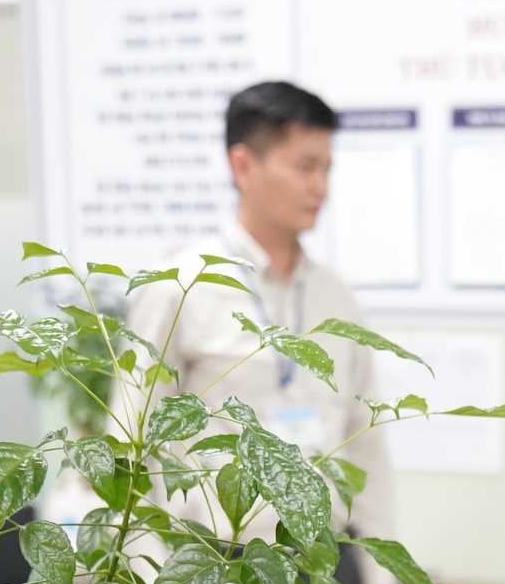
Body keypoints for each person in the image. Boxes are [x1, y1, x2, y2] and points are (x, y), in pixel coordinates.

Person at [123, 80, 398, 546]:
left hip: (323, 560)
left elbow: (365, 444)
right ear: (243, 165)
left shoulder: (335, 297)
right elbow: (132, 445)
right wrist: (154, 583)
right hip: (213, 565)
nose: (321, 187)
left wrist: (378, 573)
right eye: (305, 167)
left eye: (327, 169)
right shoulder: (181, 286)